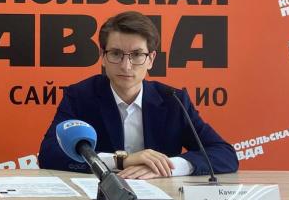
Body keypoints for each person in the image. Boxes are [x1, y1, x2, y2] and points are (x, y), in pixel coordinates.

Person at [38, 11, 237, 179]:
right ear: (103, 57)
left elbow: (224, 154)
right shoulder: (80, 96)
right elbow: (49, 154)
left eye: (136, 55)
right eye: (116, 53)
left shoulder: (173, 100)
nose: (126, 66)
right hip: (99, 198)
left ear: (151, 59)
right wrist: (121, 161)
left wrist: (166, 167)